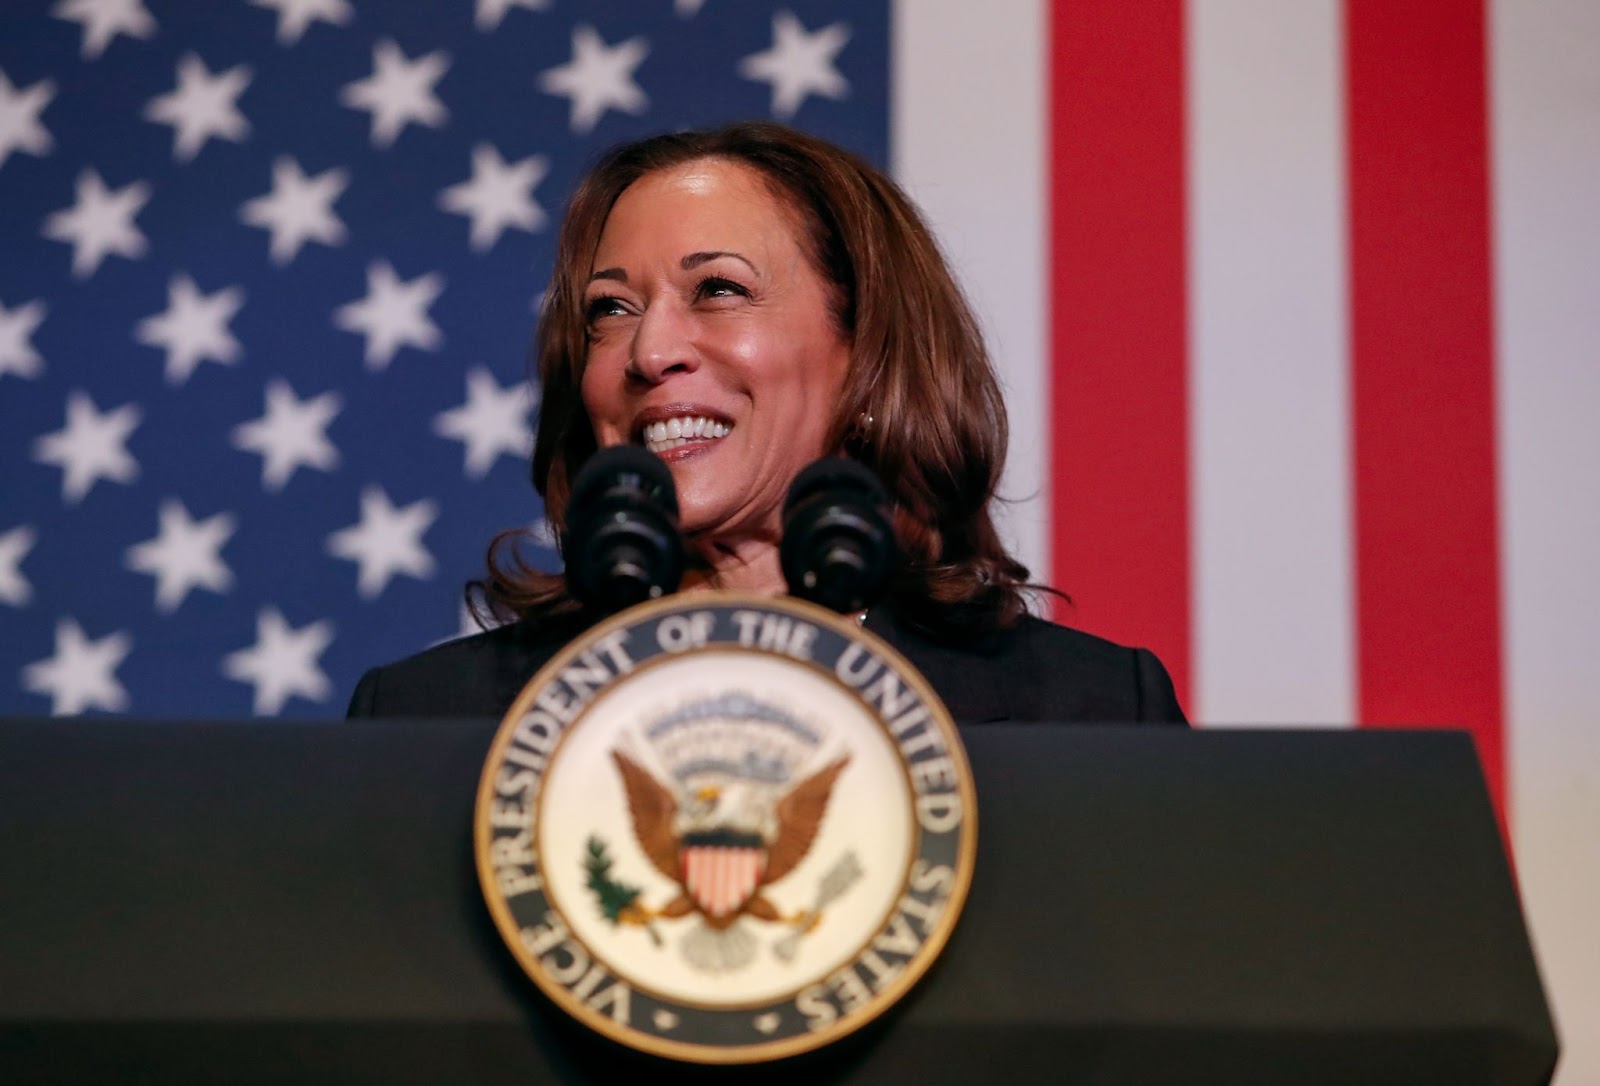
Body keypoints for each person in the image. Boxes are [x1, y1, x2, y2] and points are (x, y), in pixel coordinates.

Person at [346, 122, 1185, 726]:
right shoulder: (432, 724)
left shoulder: (1089, 716)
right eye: (610, 308)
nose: (650, 350)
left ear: (865, 353)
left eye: (718, 289)